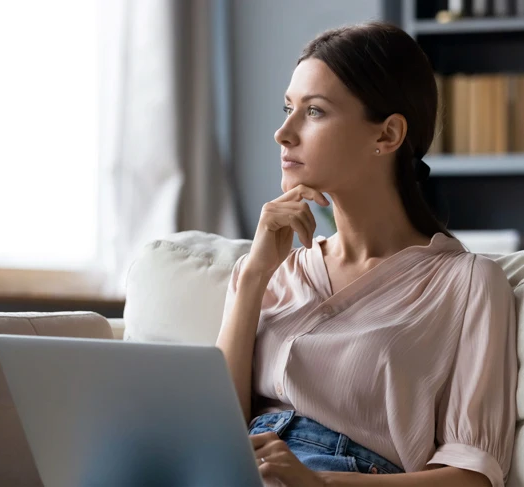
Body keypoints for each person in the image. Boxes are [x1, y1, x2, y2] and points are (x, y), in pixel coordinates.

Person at [216, 21, 516, 487]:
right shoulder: (272, 270)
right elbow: (214, 431)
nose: (283, 133)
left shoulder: (468, 283)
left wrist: (320, 485)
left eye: (313, 112)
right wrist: (253, 277)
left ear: (389, 135)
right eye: (287, 108)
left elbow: (470, 476)